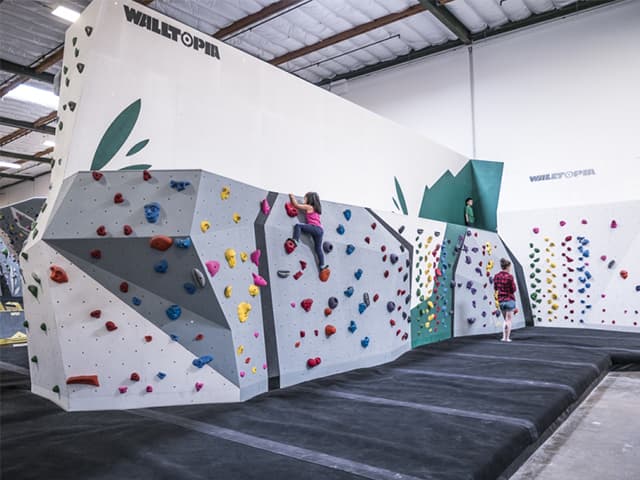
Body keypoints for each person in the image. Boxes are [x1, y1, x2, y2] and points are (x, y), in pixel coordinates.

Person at [288, 192, 329, 272]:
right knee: (318, 248)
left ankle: (295, 240)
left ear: (309, 199)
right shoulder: (316, 210)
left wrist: (292, 197)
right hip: (320, 230)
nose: (304, 200)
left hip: (314, 228)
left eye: (305, 198)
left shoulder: (309, 207)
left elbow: (296, 205)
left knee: (298, 226)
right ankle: (322, 266)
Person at [494, 258, 517, 342]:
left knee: (505, 320)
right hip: (509, 299)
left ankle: (504, 337)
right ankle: (507, 338)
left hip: (501, 300)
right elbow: (513, 289)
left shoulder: (496, 276)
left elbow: (495, 288)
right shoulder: (510, 277)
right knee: (509, 320)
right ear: (508, 266)